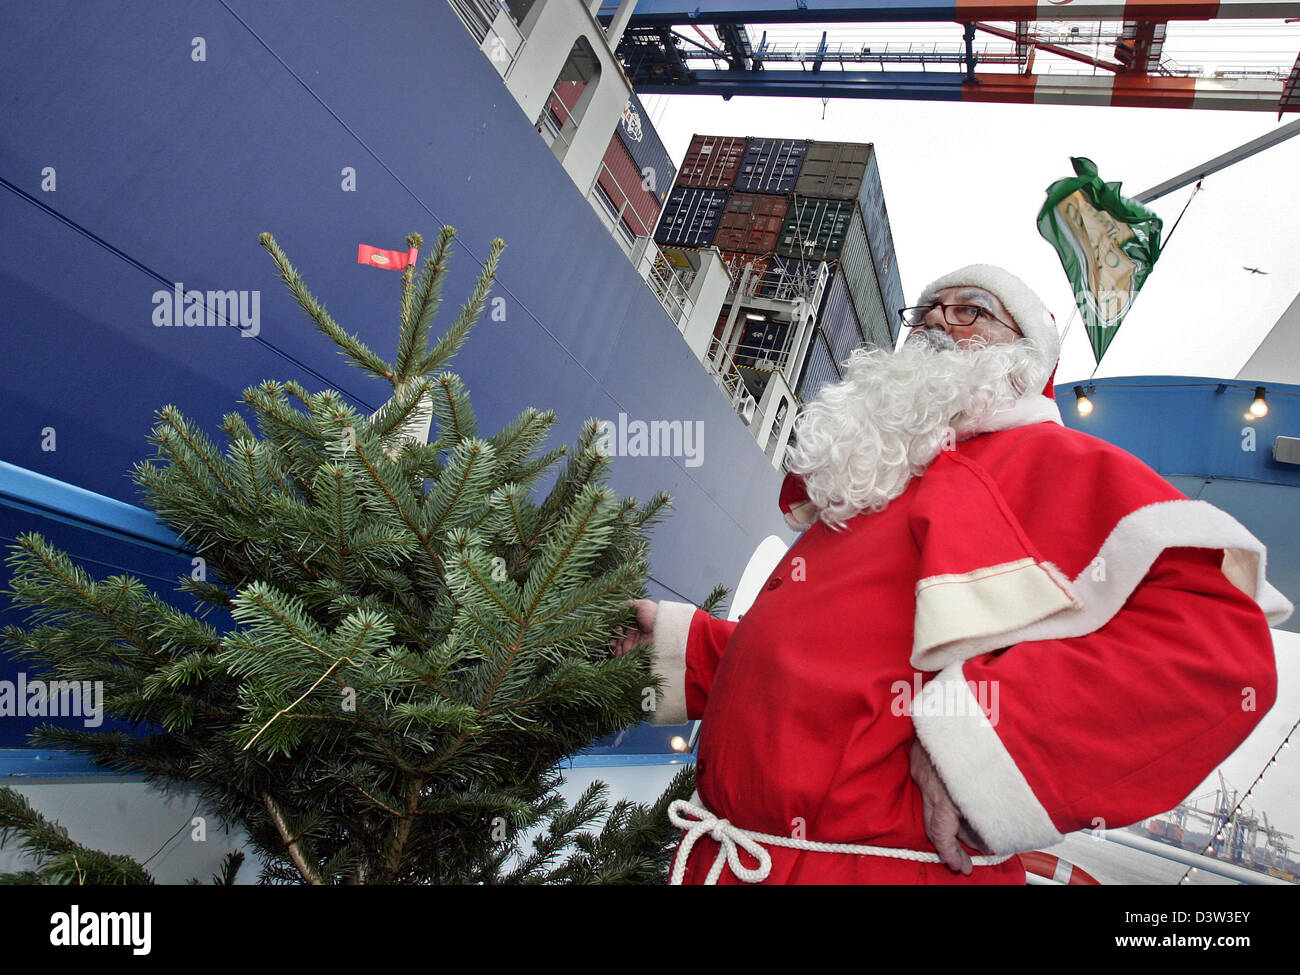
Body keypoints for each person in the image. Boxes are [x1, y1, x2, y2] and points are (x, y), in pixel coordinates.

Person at [609, 264, 1291, 885]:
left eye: (973, 310)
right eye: (928, 308)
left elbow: (1217, 646)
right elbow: (834, 668)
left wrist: (982, 753)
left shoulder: (1046, 460)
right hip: (741, 859)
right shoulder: (882, 478)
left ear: (1024, 358)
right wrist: (687, 649)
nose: (938, 319)